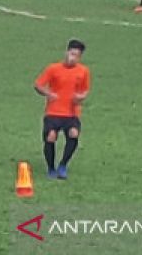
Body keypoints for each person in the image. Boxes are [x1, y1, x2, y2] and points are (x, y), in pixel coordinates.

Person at [34, 39, 91, 180]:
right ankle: (51, 168)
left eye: (77, 56)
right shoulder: (53, 69)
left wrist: (80, 98)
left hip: (71, 113)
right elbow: (38, 85)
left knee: (73, 134)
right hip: (53, 112)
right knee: (51, 137)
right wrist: (48, 94)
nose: (73, 58)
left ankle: (63, 165)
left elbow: (84, 91)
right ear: (66, 52)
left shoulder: (83, 71)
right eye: (71, 54)